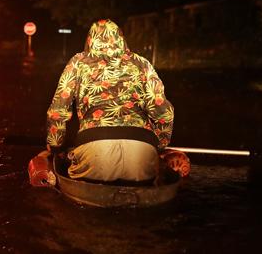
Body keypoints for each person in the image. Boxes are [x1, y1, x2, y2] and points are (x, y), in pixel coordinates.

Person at [46, 19, 174, 183]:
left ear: (90, 39)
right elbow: (165, 113)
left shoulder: (77, 63)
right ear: (121, 38)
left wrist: (56, 145)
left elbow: (58, 111)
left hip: (94, 147)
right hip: (142, 149)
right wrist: (160, 145)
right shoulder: (142, 64)